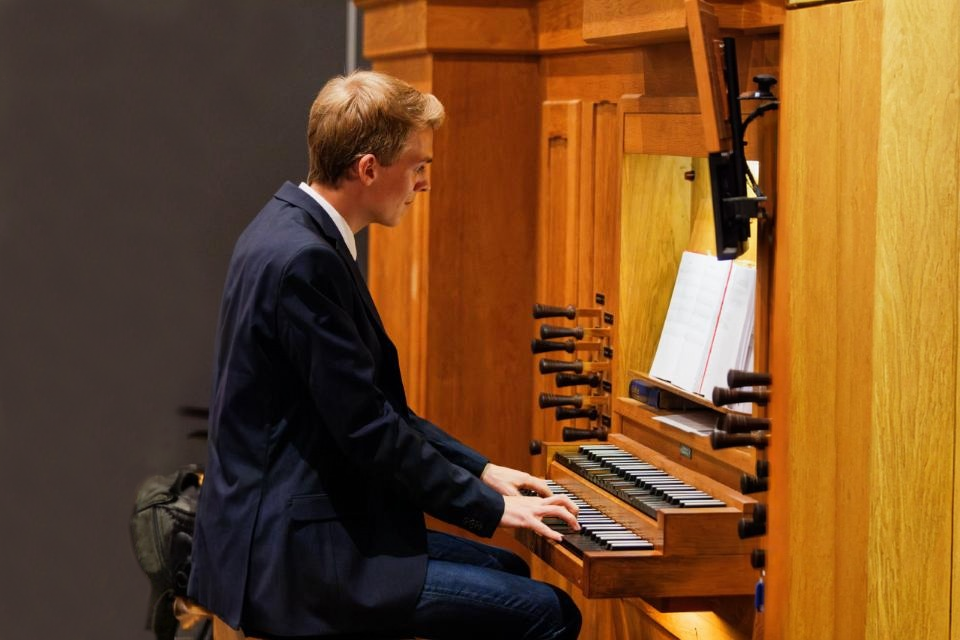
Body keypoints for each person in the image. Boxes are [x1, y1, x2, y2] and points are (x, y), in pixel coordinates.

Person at [187, 70, 583, 640]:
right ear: (369, 168)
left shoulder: (285, 226)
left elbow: (375, 411)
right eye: (418, 166)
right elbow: (369, 431)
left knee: (510, 569)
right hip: (293, 557)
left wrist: (484, 472)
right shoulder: (305, 260)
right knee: (547, 614)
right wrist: (491, 511)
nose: (423, 183)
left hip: (287, 527)